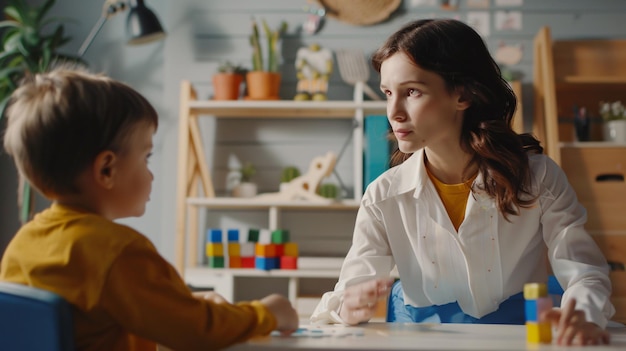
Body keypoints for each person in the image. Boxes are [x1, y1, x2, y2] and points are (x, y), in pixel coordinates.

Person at [311, 19, 615, 346]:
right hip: (418, 338)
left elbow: (585, 273)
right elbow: (346, 295)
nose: (394, 112)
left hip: (513, 336)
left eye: (412, 91)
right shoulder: (382, 195)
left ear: (462, 95)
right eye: (388, 93)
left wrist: (583, 313)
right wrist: (351, 306)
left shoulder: (539, 176)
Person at [0, 68, 299, 351]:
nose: (151, 174)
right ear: (107, 169)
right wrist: (268, 312)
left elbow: (96, 312)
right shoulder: (118, 253)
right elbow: (197, 332)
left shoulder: (24, 245)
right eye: (146, 157)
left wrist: (183, 303)